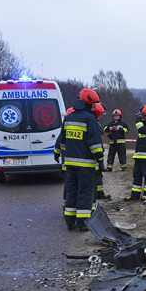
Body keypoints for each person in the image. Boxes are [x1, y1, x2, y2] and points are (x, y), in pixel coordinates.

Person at [53, 89, 104, 231]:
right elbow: (94, 143)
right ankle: (83, 223)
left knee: (71, 190)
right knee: (85, 192)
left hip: (69, 163)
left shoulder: (69, 118)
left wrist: (57, 153)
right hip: (85, 164)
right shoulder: (90, 119)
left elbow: (62, 141)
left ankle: (70, 221)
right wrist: (100, 158)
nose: (94, 107)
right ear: (88, 104)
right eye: (93, 104)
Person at [125, 105, 146, 201]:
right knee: (137, 175)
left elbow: (141, 130)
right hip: (139, 155)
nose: (142, 118)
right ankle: (135, 195)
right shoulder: (145, 125)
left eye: (143, 116)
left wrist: (138, 120)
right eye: (141, 116)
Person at [91, 103, 111, 200]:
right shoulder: (92, 122)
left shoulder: (93, 121)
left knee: (98, 173)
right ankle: (94, 194)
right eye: (100, 115)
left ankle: (99, 193)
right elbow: (101, 131)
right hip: (94, 153)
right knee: (95, 173)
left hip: (97, 151)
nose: (101, 117)